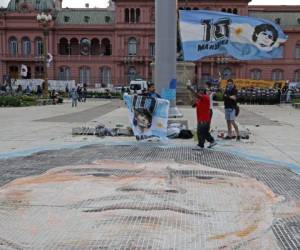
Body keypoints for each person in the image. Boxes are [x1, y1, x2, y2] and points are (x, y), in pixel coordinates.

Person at [187, 83, 216, 149]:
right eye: (200, 90)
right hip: (202, 118)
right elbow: (193, 105)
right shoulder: (200, 99)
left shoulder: (205, 97)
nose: (201, 91)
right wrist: (191, 98)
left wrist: (191, 89)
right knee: (205, 132)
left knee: (200, 132)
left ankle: (200, 145)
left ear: (204, 91)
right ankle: (212, 141)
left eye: (202, 90)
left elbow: (197, 96)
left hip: (204, 119)